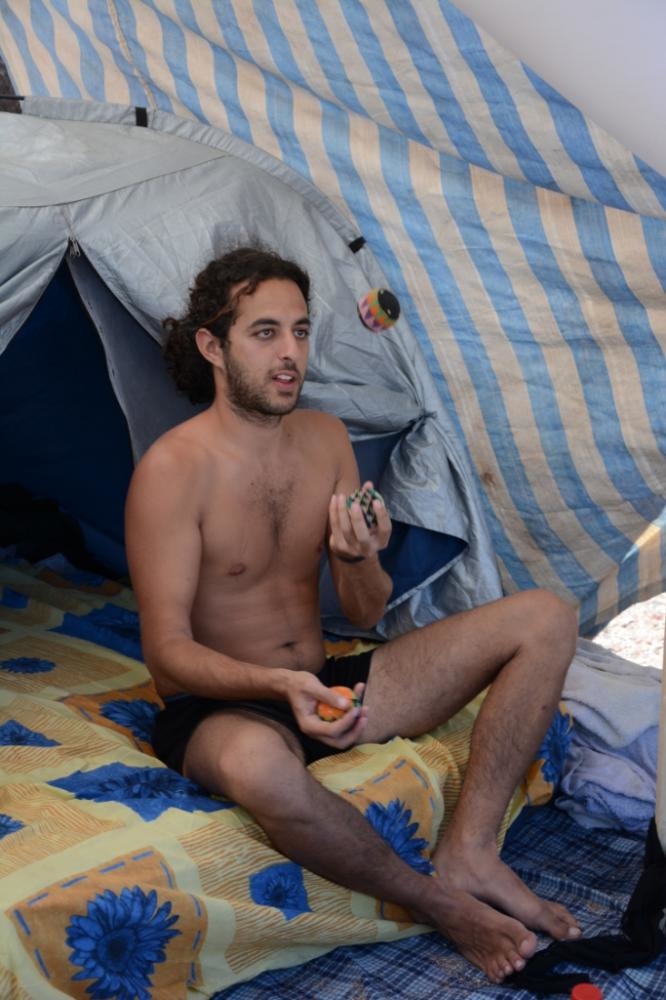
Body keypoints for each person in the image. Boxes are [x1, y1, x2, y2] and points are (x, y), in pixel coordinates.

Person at [125, 245, 581, 984]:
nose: (290, 354)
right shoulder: (172, 471)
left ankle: (470, 850)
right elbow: (167, 653)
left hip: (329, 684)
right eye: (265, 332)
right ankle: (440, 904)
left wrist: (361, 557)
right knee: (262, 771)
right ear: (212, 346)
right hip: (224, 705)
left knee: (547, 616)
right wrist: (281, 687)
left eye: (301, 331)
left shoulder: (325, 438)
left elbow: (366, 609)